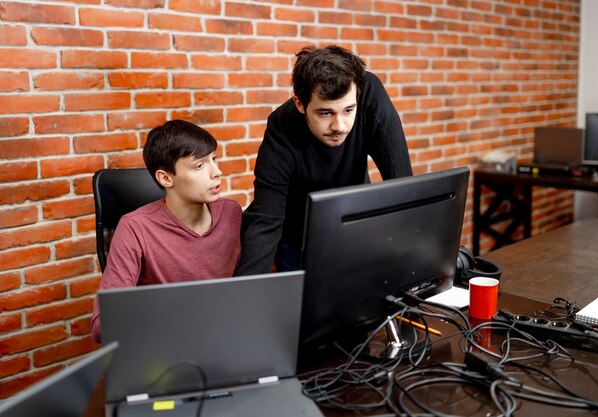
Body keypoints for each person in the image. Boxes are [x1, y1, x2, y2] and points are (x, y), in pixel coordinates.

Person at [236, 45, 413, 276]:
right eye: (325, 113)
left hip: (353, 224)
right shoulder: (281, 128)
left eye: (348, 110)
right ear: (300, 103)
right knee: (301, 309)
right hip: (296, 236)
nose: (339, 126)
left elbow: (403, 188)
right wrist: (245, 298)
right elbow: (265, 221)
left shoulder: (369, 93)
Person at [91, 120, 242, 342]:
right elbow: (103, 325)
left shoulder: (232, 213)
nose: (217, 172)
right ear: (165, 178)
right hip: (167, 346)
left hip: (225, 338)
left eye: (214, 159)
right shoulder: (135, 228)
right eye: (199, 166)